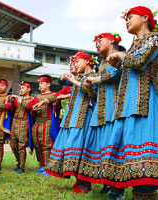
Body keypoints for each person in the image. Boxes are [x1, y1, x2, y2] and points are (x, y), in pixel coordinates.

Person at [103, 6, 158, 199]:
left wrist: (120, 55)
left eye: (130, 17)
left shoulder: (155, 39)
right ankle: (117, 191)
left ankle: (143, 192)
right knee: (123, 145)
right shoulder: (134, 45)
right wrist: (117, 64)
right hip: (127, 101)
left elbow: (140, 61)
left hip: (145, 101)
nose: (126, 21)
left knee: (141, 145)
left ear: (145, 18)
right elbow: (129, 69)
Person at [76, 33, 122, 199]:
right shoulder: (102, 63)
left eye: (99, 41)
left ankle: (117, 188)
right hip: (100, 112)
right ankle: (107, 183)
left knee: (114, 149)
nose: (97, 44)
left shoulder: (118, 58)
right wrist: (89, 87)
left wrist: (95, 80)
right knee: (101, 148)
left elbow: (117, 74)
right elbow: (95, 96)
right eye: (95, 43)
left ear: (112, 41)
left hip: (114, 110)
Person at [46, 51, 97, 194]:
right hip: (72, 116)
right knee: (70, 146)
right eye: (73, 63)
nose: (75, 65)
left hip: (84, 116)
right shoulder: (79, 77)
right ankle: (78, 181)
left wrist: (74, 80)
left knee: (80, 148)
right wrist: (65, 77)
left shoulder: (93, 76)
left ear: (87, 61)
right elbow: (61, 82)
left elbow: (90, 91)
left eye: (77, 61)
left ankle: (85, 185)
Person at [7, 82, 34, 174]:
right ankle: (19, 161)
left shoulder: (32, 100)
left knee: (21, 145)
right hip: (15, 122)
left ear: (29, 89)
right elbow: (11, 110)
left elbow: (28, 107)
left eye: (23, 88)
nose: (21, 90)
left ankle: (22, 166)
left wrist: (19, 99)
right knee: (13, 144)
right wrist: (11, 102)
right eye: (21, 88)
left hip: (24, 123)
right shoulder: (18, 100)